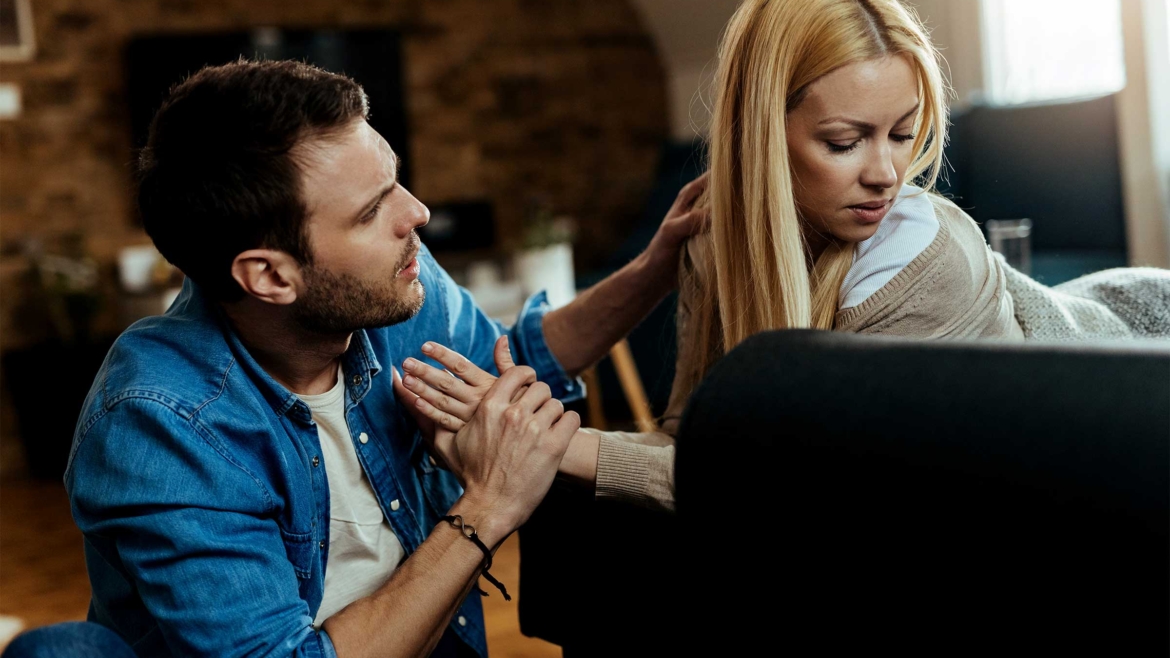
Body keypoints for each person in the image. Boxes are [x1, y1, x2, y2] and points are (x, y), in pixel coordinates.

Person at [397, 0, 1170, 513]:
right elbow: (699, 443)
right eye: (845, 141)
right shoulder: (712, 247)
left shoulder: (927, 261)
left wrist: (553, 441)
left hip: (1133, 361)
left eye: (903, 133)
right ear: (764, 135)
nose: (886, 172)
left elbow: (819, 482)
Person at [64, 59, 705, 657]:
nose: (417, 215)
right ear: (270, 276)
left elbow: (512, 358)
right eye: (373, 211)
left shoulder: (382, 291)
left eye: (395, 181)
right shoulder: (161, 427)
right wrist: (488, 507)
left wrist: (655, 267)